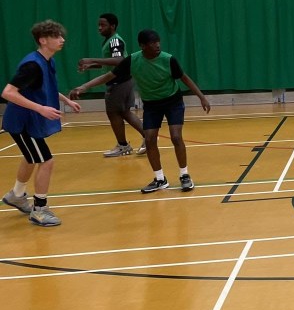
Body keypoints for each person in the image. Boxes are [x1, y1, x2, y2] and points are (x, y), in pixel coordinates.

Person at [71, 29, 210, 194]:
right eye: (152, 43)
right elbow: (108, 76)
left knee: (176, 136)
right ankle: (160, 179)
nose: (157, 45)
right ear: (142, 46)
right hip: (151, 104)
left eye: (158, 41)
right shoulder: (132, 60)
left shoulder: (168, 59)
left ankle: (184, 175)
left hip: (172, 102)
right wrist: (84, 87)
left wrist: (202, 97)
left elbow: (184, 78)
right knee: (149, 139)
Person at [2, 20, 81, 227]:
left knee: (31, 158)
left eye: (61, 36)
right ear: (43, 40)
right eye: (57, 36)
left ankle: (16, 195)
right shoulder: (32, 65)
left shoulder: (47, 61)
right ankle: (39, 210)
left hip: (29, 120)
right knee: (46, 161)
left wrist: (66, 100)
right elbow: (8, 92)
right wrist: (40, 108)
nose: (62, 40)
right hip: (22, 122)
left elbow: (44, 87)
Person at [77, 12, 146, 157]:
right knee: (125, 112)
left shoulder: (115, 41)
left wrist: (92, 59)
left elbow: (119, 60)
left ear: (112, 26)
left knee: (113, 112)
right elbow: (110, 62)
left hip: (118, 82)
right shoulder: (109, 41)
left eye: (103, 25)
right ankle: (148, 137)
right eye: (98, 25)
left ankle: (123, 145)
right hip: (125, 79)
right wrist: (91, 66)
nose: (99, 28)